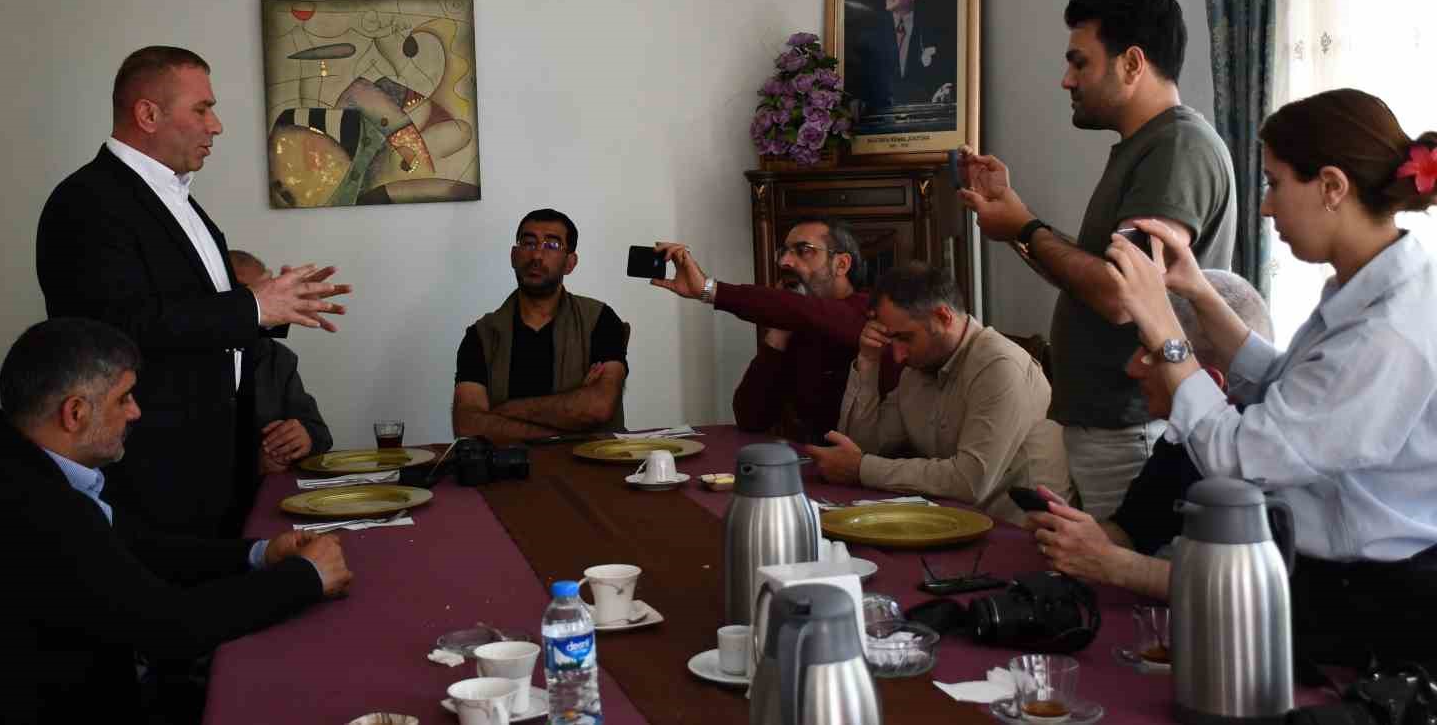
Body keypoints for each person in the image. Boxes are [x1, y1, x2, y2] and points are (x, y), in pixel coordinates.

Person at [1104, 88, 1437, 671]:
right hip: (1344, 586)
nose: (1265, 207)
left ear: (1331, 186)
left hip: (1372, 608)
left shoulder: (1387, 331)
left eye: (1275, 183)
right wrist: (1197, 291)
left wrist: (1163, 327)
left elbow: (1240, 455)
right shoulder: (1371, 288)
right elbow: (1284, 384)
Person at [0, 318, 351, 725]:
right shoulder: (29, 506)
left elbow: (139, 547)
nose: (136, 411)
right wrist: (305, 578)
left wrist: (259, 553)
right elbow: (171, 627)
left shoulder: (10, 462)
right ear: (75, 413)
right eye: (123, 398)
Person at [36, 46, 352, 536]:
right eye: (202, 109)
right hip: (153, 471)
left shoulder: (176, 199)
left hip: (213, 468)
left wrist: (273, 304)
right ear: (148, 115)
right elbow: (115, 330)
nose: (216, 125)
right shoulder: (86, 202)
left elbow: (194, 309)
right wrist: (253, 306)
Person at [958, 0, 1235, 519]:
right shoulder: (1148, 147)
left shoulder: (1177, 147)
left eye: (1080, 63)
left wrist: (1025, 227)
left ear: (1132, 63)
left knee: (1126, 568)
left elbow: (1119, 296)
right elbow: (1097, 277)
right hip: (1110, 423)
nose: (1067, 80)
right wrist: (1015, 221)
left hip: (1136, 423)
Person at [1027, 271, 1273, 599]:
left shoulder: (1271, 455)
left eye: (1149, 352)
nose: (1131, 368)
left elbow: (1238, 588)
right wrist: (1074, 532)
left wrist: (1114, 564)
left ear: (1210, 383)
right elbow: (1132, 532)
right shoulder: (1179, 440)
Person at [804, 263, 1073, 525]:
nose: (897, 356)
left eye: (905, 338)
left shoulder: (999, 365)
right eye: (890, 339)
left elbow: (969, 483)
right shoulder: (916, 370)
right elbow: (861, 448)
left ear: (943, 317)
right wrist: (868, 361)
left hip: (1024, 535)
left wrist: (863, 469)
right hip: (952, 523)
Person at [650, 220, 885, 443]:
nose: (785, 262)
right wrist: (778, 334)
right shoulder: (796, 324)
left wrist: (708, 289)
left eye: (804, 251)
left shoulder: (867, 312)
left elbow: (810, 313)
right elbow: (751, 418)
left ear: (841, 264)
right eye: (784, 252)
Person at [453, 208, 629, 444]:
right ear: (514, 256)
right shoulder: (482, 335)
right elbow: (468, 424)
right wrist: (568, 422)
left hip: (590, 463)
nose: (536, 255)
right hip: (507, 467)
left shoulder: (599, 320)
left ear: (570, 263)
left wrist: (504, 411)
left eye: (552, 245)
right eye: (528, 243)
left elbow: (598, 407)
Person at [229, 249, 335, 473]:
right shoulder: (182, 360)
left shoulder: (276, 357)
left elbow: (321, 434)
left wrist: (304, 438)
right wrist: (253, 465)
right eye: (242, 293)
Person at [846, 0, 956, 115]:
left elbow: (947, 73)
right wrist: (856, 98)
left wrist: (946, 88)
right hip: (880, 116)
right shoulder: (870, 34)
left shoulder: (935, 31)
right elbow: (858, 79)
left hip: (924, 114)